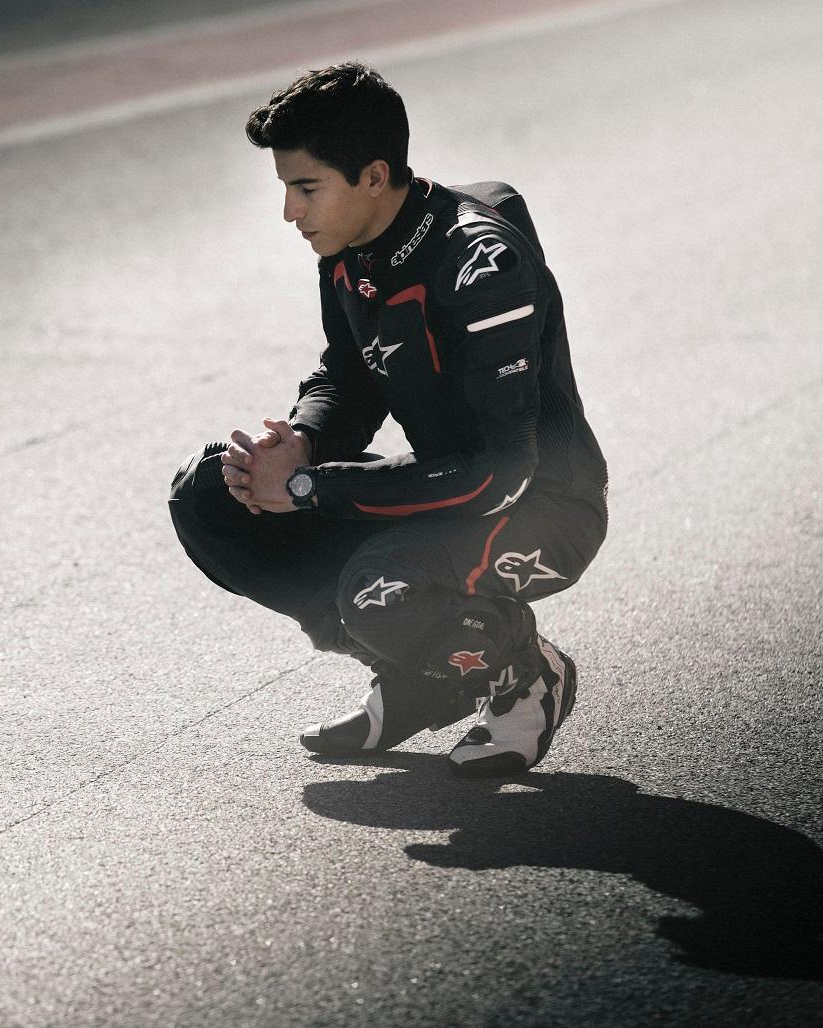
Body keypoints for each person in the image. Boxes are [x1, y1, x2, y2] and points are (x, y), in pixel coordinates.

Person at [167, 62, 608, 776]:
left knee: (379, 591)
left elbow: (497, 473)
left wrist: (309, 488)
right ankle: (420, 675)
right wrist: (301, 442)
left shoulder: (480, 265)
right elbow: (350, 374)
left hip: (541, 506)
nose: (289, 212)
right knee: (211, 495)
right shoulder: (348, 249)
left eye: (306, 188)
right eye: (285, 188)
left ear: (373, 176)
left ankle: (524, 672)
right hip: (446, 492)